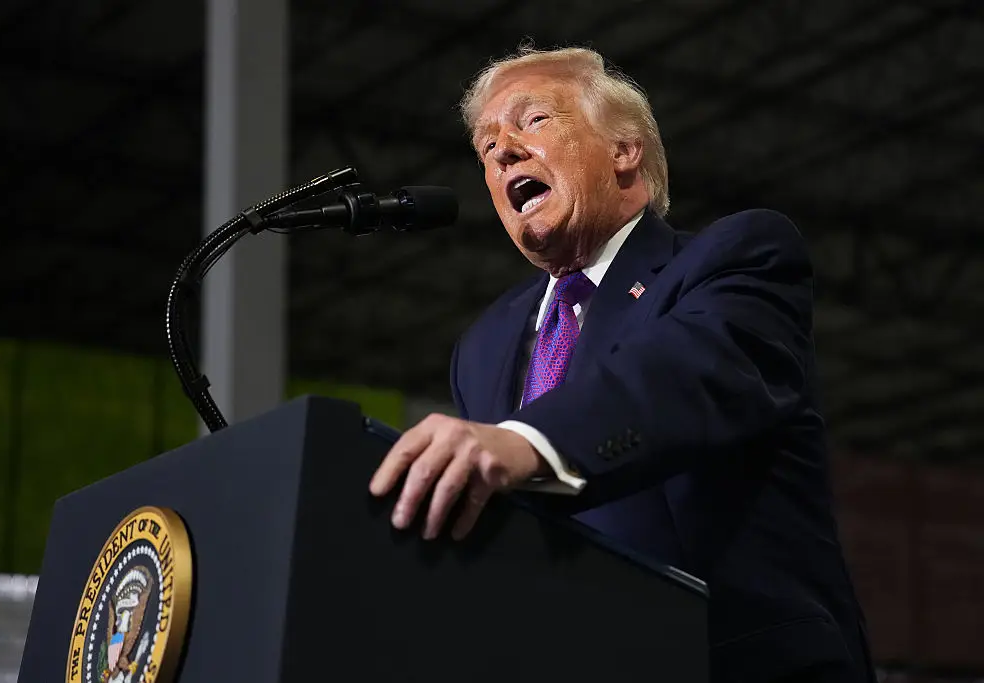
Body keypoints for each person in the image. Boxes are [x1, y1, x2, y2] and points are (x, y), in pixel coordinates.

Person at [369, 45, 874, 683]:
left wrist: (528, 443)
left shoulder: (735, 258)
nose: (502, 152)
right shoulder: (482, 347)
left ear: (624, 150)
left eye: (533, 122)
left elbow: (685, 376)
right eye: (486, 146)